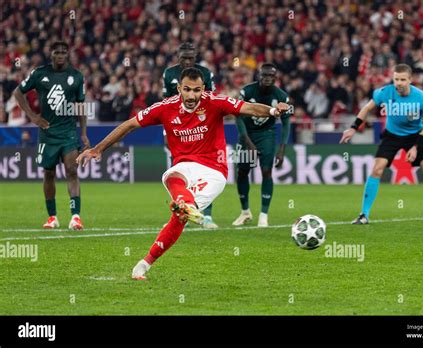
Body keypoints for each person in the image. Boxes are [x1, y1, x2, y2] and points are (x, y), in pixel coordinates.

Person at [76, 68, 289, 280]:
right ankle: (186, 205)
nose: (191, 95)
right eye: (186, 89)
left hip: (214, 171)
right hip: (185, 166)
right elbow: (130, 124)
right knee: (171, 177)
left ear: (203, 89)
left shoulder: (215, 102)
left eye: (196, 90)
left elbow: (249, 108)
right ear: (179, 88)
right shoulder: (165, 108)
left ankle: (146, 261)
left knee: (180, 216)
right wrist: (98, 149)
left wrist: (272, 112)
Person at [340, 64, 423, 224]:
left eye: (403, 79)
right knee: (377, 170)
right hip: (391, 135)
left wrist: (415, 147)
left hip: (415, 136)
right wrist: (353, 128)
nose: (398, 83)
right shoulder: (385, 92)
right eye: (396, 79)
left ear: (410, 80)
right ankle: (363, 215)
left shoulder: (422, 98)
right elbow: (366, 108)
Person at [13, 41, 89, 230]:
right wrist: (32, 116)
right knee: (49, 173)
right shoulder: (40, 74)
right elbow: (18, 92)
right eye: (57, 52)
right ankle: (52, 217)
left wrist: (84, 133)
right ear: (51, 54)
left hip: (69, 132)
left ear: (68, 54)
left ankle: (75, 217)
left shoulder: (76, 76)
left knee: (72, 171)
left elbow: (81, 106)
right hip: (47, 133)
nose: (61, 55)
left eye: (64, 52)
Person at [162, 42, 218, 229]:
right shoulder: (169, 74)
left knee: (206, 170)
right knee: (178, 169)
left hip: (201, 124)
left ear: (196, 57)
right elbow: (166, 104)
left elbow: (212, 100)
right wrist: (166, 129)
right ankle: (183, 208)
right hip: (178, 126)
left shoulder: (205, 73)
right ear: (178, 56)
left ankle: (207, 215)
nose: (187, 61)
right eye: (184, 57)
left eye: (191, 58)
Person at [232, 63, 291, 227]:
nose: (267, 79)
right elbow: (237, 116)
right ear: (259, 76)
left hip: (267, 135)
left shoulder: (281, 96)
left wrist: (282, 149)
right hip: (247, 134)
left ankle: (263, 215)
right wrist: (247, 141)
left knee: (266, 171)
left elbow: (286, 123)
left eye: (270, 76)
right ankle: (245, 212)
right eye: (264, 75)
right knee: (242, 172)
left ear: (275, 78)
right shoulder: (247, 91)